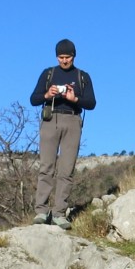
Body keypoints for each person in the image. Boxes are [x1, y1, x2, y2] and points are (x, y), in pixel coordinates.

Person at [29, 38, 96, 229]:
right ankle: (41, 212)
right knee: (46, 167)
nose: (64, 61)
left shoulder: (83, 76)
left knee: (66, 170)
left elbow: (91, 103)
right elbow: (33, 99)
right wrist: (47, 95)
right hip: (50, 119)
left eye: (67, 57)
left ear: (74, 56)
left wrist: (74, 98)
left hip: (73, 120)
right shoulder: (48, 74)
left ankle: (59, 213)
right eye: (61, 57)